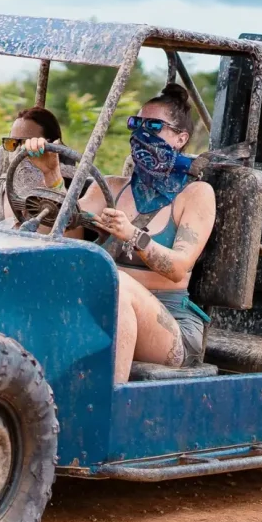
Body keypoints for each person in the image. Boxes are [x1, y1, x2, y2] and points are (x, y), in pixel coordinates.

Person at [22, 83, 216, 384]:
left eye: (153, 126)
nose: (142, 134)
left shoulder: (197, 194)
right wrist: (51, 175)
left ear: (180, 138)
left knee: (116, 282)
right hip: (101, 304)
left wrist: (133, 235)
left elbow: (178, 268)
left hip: (172, 327)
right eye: (135, 125)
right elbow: (61, 230)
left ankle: (108, 412)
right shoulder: (111, 187)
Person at [0, 106, 71, 227]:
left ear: (51, 146)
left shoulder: (69, 193)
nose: (19, 150)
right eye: (12, 143)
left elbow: (70, 239)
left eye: (27, 143)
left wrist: (52, 174)